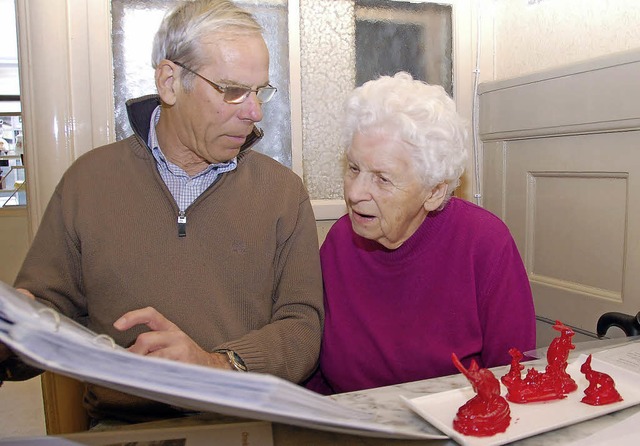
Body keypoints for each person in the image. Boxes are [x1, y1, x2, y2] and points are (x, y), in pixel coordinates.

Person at [0, 0, 323, 423]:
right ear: (170, 82)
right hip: (125, 428)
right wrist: (14, 333)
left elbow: (303, 327)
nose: (254, 111)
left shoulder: (282, 192)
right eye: (231, 90)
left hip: (247, 424)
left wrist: (216, 365)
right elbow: (41, 317)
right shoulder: (88, 182)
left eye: (259, 91)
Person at [305, 72, 536, 395]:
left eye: (382, 179)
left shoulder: (484, 244)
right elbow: (316, 372)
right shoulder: (339, 243)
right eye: (354, 169)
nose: (355, 193)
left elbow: (514, 376)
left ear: (434, 192)